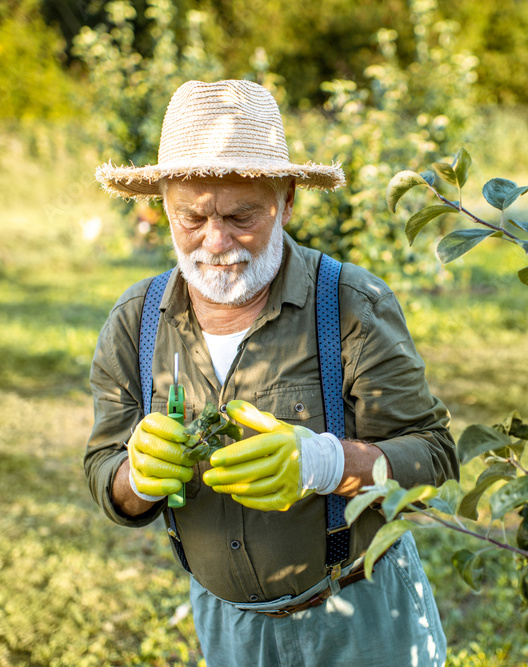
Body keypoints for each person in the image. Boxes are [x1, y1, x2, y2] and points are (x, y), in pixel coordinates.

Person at [84, 79, 459, 666]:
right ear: (163, 206)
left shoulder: (351, 305)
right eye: (192, 218)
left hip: (358, 619)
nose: (216, 242)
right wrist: (136, 476)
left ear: (286, 200)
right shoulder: (136, 323)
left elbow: (434, 461)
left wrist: (327, 462)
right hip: (229, 629)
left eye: (241, 216)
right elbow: (105, 475)